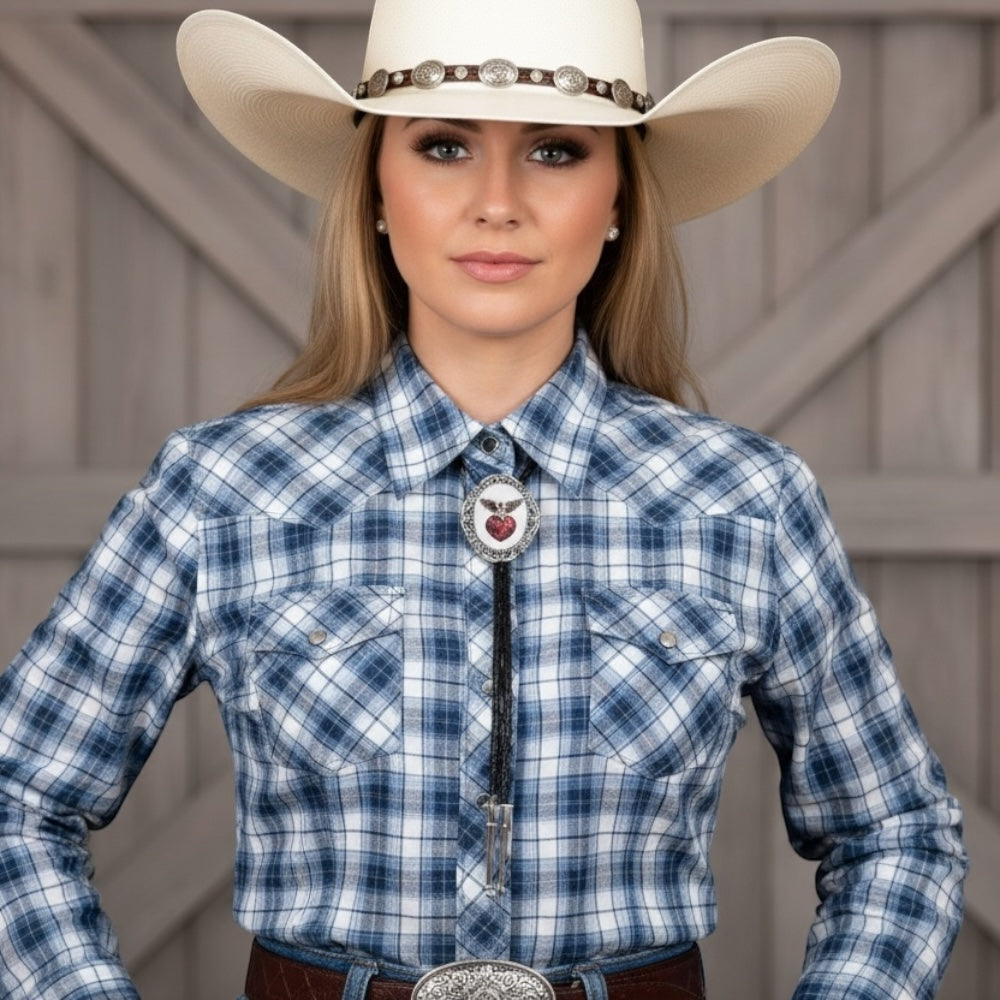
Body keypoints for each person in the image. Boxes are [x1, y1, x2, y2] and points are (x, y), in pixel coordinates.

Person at [0, 1, 967, 997]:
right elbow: (17, 795)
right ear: (375, 188)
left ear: (622, 196)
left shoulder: (745, 501)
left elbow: (895, 830)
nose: (496, 202)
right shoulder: (222, 491)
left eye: (554, 150)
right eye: (445, 145)